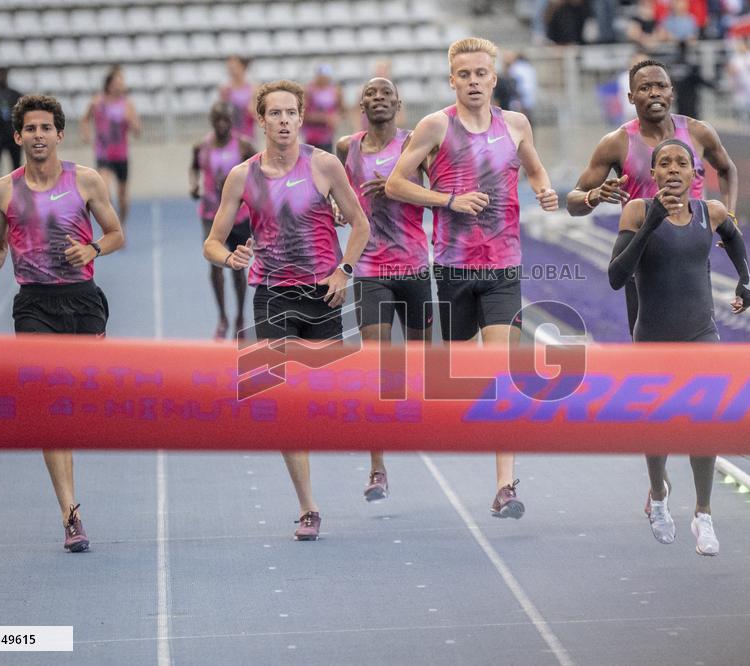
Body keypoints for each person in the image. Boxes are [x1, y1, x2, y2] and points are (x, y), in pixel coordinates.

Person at [385, 37, 559, 519]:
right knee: (466, 378)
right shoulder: (435, 125)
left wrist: (544, 191)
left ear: (494, 78)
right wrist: (448, 201)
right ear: (452, 80)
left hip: (504, 267)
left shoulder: (516, 124)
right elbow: (397, 184)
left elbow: (537, 170)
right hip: (453, 267)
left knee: (502, 373)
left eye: (481, 73)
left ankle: (506, 484)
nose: (474, 81)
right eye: (464, 75)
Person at [203, 80, 370, 541]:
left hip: (323, 295)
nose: (282, 121)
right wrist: (230, 257)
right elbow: (212, 241)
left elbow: (359, 224)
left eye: (289, 113)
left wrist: (344, 271)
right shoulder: (242, 176)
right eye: (273, 114)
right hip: (272, 295)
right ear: (260, 120)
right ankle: (308, 507)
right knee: (280, 405)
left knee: (327, 402)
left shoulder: (325, 165)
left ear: (300, 118)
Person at [0, 94, 125, 552]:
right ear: (17, 136)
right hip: (34, 305)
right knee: (50, 409)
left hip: (82, 301)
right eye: (30, 129)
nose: (38, 136)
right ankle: (70, 513)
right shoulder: (3, 190)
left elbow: (116, 234)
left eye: (46, 128)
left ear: (60, 134)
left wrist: (94, 249)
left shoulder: (85, 181)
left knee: (83, 400)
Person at [607, 138, 750, 555]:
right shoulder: (637, 212)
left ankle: (704, 515)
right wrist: (651, 223)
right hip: (652, 339)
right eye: (664, 163)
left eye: (681, 163)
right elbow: (617, 277)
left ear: (696, 174)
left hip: (700, 335)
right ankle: (658, 497)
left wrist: (746, 280)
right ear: (652, 174)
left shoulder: (711, 212)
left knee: (703, 421)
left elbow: (735, 239)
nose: (673, 169)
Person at [566, 58, 738, 338]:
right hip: (642, 262)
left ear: (672, 92)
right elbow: (573, 201)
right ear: (631, 97)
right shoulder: (616, 142)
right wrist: (595, 196)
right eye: (645, 87)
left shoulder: (698, 133)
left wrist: (729, 216)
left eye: (661, 86)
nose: (655, 92)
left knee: (700, 344)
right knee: (650, 352)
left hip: (689, 256)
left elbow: (727, 169)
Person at [336, 77, 431, 503]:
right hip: (371, 266)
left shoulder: (416, 143)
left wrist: (399, 189)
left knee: (420, 364)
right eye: (370, 94)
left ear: (398, 103)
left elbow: (435, 195)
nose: (378, 99)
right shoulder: (347, 148)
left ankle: (409, 412)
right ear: (361, 105)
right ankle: (377, 468)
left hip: (413, 263)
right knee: (376, 366)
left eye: (385, 94)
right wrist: (340, 208)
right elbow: (337, 193)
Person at [190, 102, 256, 340]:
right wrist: (194, 185)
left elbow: (258, 175)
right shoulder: (201, 147)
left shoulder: (244, 146)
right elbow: (194, 168)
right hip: (210, 212)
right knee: (215, 266)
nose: (222, 125)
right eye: (217, 120)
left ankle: (239, 317)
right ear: (211, 121)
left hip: (239, 216)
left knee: (238, 267)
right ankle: (222, 317)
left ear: (232, 120)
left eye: (226, 120)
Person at [80, 66, 141, 227]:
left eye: (122, 82)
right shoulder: (97, 102)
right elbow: (85, 119)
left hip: (121, 155)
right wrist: (86, 133)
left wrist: (131, 121)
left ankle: (122, 224)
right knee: (104, 189)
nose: (121, 85)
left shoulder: (127, 105)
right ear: (110, 84)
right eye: (118, 81)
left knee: (123, 197)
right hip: (103, 154)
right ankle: (112, 227)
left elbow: (138, 131)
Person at [303, 65, 344, 152]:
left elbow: (341, 110)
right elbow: (304, 115)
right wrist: (325, 118)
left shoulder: (335, 91)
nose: (323, 79)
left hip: (327, 136)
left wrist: (336, 118)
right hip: (311, 136)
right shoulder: (309, 91)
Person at [219, 55, 257, 141]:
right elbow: (222, 114)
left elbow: (255, 114)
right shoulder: (225, 89)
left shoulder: (253, 89)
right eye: (229, 67)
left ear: (243, 67)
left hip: (248, 136)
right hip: (230, 136)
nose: (231, 70)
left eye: (234, 67)